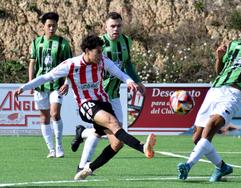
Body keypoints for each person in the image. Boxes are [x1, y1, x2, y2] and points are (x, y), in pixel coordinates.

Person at [14, 34, 156, 180]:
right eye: (98, 52)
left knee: (117, 143)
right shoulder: (71, 64)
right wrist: (24, 87)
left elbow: (118, 72)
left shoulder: (103, 61)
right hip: (86, 103)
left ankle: (88, 168)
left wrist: (130, 81)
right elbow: (47, 77)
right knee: (113, 123)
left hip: (103, 102)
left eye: (102, 51)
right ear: (87, 51)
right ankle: (142, 147)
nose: (101, 55)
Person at [177, 15, 241, 182]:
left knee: (212, 125)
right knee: (197, 138)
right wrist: (219, 58)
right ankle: (222, 167)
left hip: (234, 94)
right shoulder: (234, 45)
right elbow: (220, 72)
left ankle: (187, 165)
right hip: (215, 90)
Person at [70, 11, 145, 172]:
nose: (116, 29)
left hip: (115, 93)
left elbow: (128, 64)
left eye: (118, 25)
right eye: (112, 26)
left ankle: (82, 133)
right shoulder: (99, 44)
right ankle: (82, 166)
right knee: (105, 131)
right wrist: (65, 81)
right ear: (105, 27)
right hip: (99, 95)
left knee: (118, 132)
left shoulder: (126, 41)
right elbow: (77, 66)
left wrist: (137, 81)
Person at [29, 12, 72, 158]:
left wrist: (67, 83)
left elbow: (70, 66)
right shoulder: (36, 43)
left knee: (55, 113)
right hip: (41, 85)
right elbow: (32, 63)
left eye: (54, 25)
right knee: (44, 117)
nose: (52, 28)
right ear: (43, 26)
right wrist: (30, 84)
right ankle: (51, 149)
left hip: (57, 85)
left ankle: (59, 146)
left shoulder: (63, 44)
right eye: (49, 25)